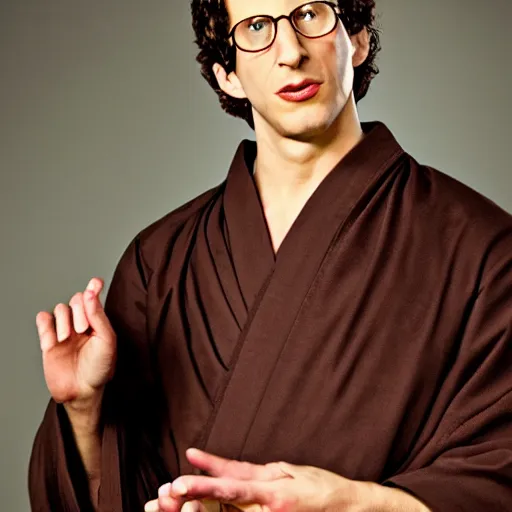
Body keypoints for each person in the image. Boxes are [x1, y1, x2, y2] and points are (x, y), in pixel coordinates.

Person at [29, 0, 512, 511]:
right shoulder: (160, 261)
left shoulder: (481, 248)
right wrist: (83, 411)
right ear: (228, 75)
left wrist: (355, 504)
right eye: (257, 27)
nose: (290, 52)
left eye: (310, 14)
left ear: (359, 38)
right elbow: (122, 490)